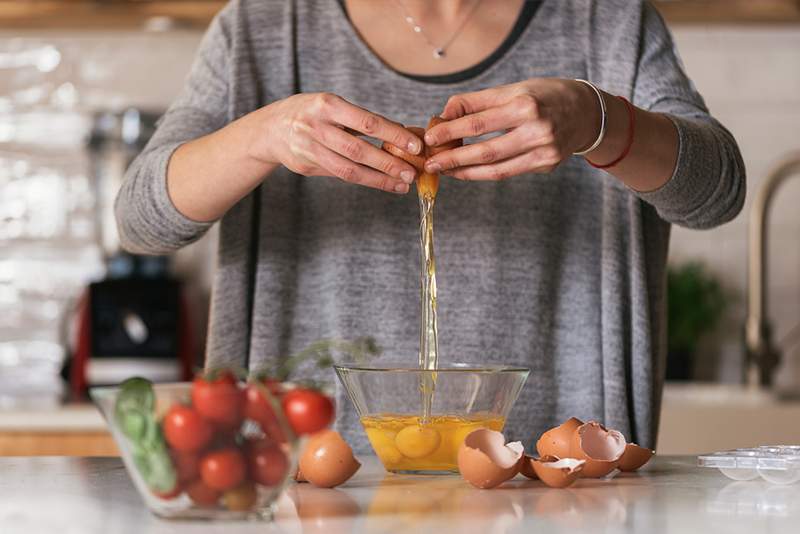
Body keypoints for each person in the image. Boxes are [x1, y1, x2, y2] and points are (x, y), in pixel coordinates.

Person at [116, 0, 745, 452]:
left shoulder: (607, 22)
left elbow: (717, 193)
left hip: (562, 483)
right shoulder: (262, 28)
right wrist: (264, 135)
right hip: (301, 486)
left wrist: (597, 120)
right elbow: (142, 220)